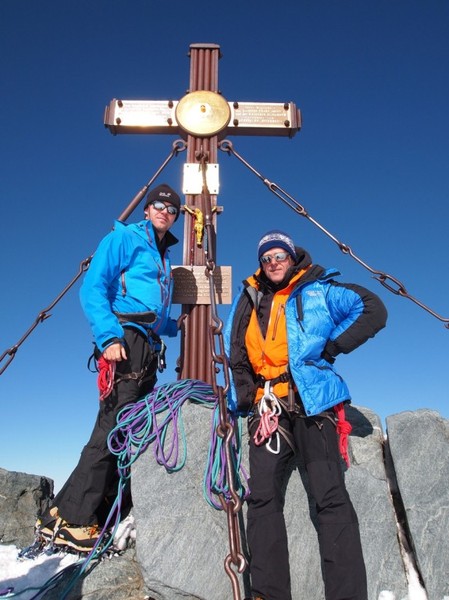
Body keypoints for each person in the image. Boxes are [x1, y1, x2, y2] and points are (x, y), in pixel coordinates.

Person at [224, 230, 388, 600]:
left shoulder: (317, 289)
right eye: (266, 258)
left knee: (329, 495)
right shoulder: (249, 298)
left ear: (292, 257)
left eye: (279, 256)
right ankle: (268, 594)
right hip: (267, 406)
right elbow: (236, 350)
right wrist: (243, 396)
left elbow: (373, 309)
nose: (273, 263)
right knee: (262, 497)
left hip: (311, 403)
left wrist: (332, 346)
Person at [37, 183, 184, 552]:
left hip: (147, 345)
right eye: (159, 205)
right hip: (124, 339)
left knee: (129, 429)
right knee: (113, 426)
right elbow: (93, 288)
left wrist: (175, 326)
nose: (165, 212)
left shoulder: (161, 255)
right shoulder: (124, 239)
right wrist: (108, 337)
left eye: (172, 209)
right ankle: (74, 521)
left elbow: (150, 309)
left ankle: (62, 513)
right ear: (147, 210)